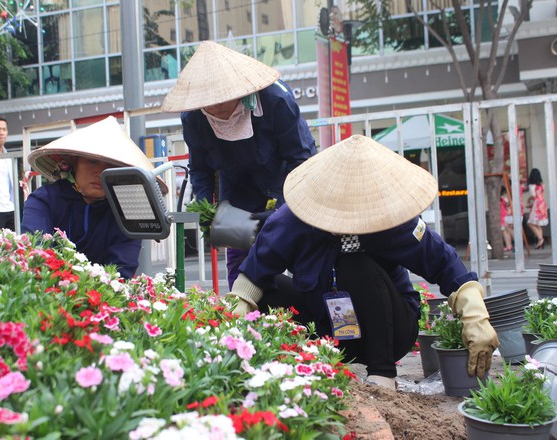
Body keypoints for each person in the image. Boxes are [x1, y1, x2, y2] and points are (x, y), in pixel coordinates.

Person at [227, 135, 500, 390]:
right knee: (268, 288)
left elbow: (442, 262)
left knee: (354, 265)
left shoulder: (392, 222)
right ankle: (282, 364)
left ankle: (382, 374)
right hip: (325, 328)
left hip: (387, 330)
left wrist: (474, 313)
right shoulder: (292, 220)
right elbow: (257, 270)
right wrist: (235, 312)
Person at [161, 40, 316, 289]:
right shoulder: (194, 119)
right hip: (237, 192)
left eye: (221, 97)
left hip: (284, 183)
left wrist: (283, 210)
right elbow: (201, 169)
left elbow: (300, 160)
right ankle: (245, 320)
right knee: (241, 266)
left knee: (298, 253)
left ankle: (309, 314)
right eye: (207, 100)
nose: (214, 106)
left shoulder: (276, 100)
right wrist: (206, 208)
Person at [22, 116, 168, 279]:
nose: (100, 172)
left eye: (110, 166)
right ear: (73, 164)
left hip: (104, 296)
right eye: (92, 161)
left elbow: (121, 271)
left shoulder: (127, 212)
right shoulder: (44, 200)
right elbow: (36, 254)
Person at [526, 168, 548, 249]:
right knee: (538, 224)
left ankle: (540, 239)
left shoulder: (532, 186)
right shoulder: (542, 184)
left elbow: (533, 196)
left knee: (530, 223)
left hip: (537, 205)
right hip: (543, 204)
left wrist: (529, 200)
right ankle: (540, 242)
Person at [500, 187, 513, 251]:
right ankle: (509, 245)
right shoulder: (505, 198)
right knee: (506, 231)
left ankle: (509, 245)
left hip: (503, 216)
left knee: (506, 231)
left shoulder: (502, 199)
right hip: (506, 215)